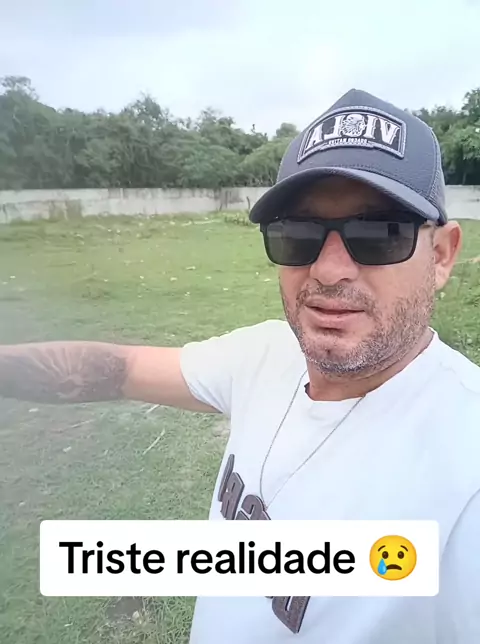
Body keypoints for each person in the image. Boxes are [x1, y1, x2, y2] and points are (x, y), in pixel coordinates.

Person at [1, 88, 479, 643]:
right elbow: (117, 368)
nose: (328, 271)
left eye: (379, 234)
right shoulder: (265, 356)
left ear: (441, 255)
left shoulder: (464, 463)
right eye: (297, 233)